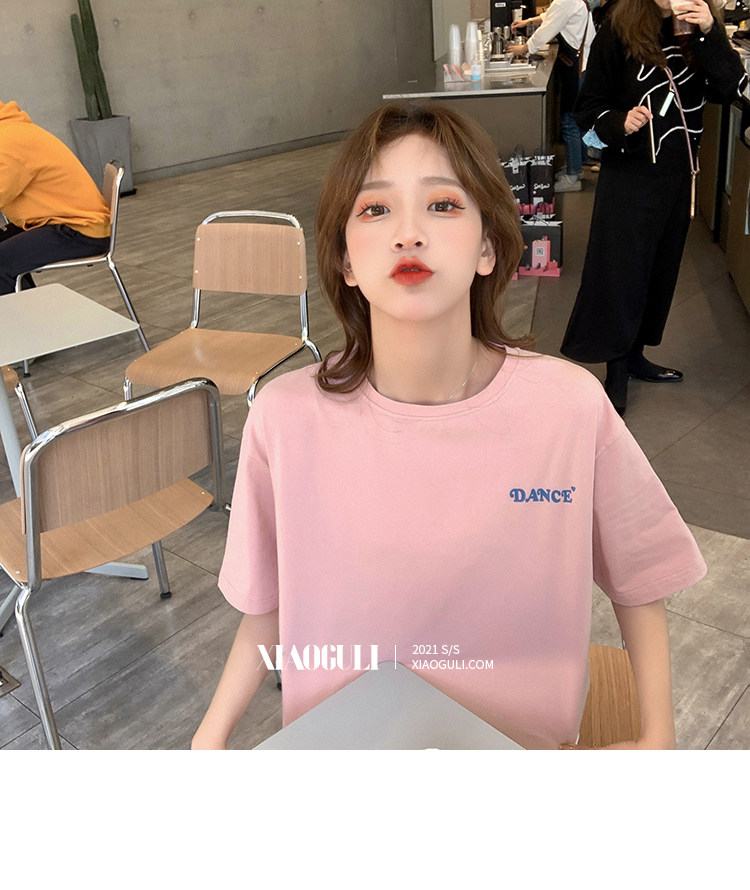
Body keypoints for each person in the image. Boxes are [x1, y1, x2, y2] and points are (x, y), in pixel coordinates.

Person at [192, 103, 706, 751]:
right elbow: (266, 604)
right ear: (345, 259)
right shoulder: (284, 416)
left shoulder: (569, 408)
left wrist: (658, 739)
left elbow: (641, 572)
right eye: (375, 209)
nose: (408, 233)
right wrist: (210, 739)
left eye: (442, 205)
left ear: (488, 246)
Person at [560, 0, 748, 414]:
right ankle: (616, 367)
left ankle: (636, 356)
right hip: (629, 175)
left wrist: (712, 32)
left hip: (678, 175)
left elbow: (729, 89)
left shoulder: (697, 32)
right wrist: (618, 121)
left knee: (660, 271)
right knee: (621, 272)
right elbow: (587, 104)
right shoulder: (619, 29)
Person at [0, 99, 111, 296]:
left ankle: (22, 314)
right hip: (61, 221)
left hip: (79, 230)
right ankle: (26, 306)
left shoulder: (8, 141)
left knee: (2, 261)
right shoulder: (12, 129)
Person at [510, 0, 595, 191]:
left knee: (569, 121)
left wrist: (524, 48)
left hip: (577, 68)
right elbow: (552, 15)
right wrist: (528, 22)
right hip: (583, 65)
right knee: (578, 120)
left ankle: (572, 177)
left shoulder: (565, 1)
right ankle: (577, 165)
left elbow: (548, 28)